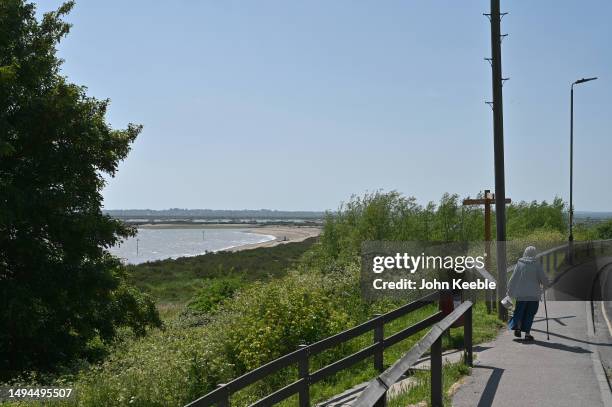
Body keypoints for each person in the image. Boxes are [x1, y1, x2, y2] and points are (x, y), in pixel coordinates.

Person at [507, 246, 550, 341]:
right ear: (535, 254)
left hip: (521, 294)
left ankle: (518, 328)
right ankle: (527, 334)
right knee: (530, 313)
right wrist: (546, 284)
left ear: (525, 253)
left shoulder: (520, 263)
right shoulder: (537, 264)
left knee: (519, 311)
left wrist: (509, 290)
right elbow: (543, 278)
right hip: (533, 294)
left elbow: (514, 278)